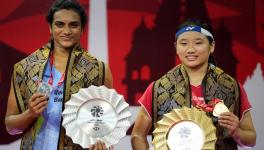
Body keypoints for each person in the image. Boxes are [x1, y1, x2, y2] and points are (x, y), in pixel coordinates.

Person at [131, 19, 256, 149]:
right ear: (176, 47)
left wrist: (237, 133)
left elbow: (251, 139)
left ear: (211, 46)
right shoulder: (158, 89)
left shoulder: (231, 87)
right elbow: (137, 135)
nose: (190, 49)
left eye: (198, 43)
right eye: (184, 43)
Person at [5, 0, 113, 149]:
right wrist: (30, 113)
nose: (66, 31)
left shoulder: (99, 71)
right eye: (59, 24)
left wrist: (102, 140)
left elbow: (105, 125)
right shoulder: (25, 68)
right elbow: (10, 126)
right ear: (50, 27)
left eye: (74, 25)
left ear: (82, 29)